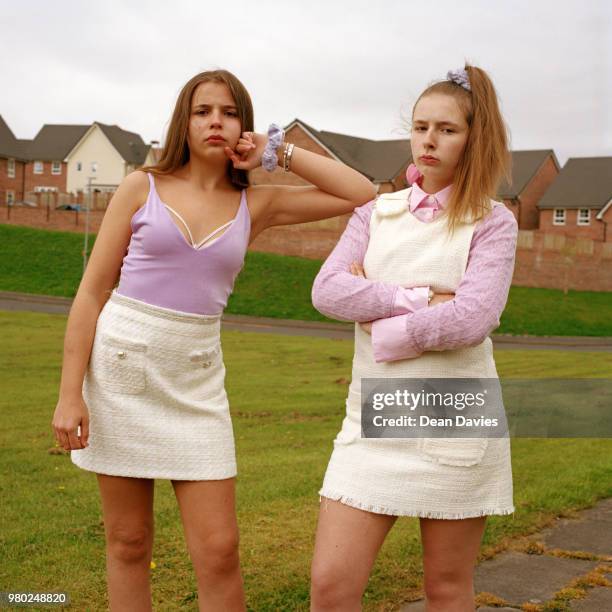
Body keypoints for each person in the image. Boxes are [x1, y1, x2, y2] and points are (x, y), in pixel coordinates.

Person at [51, 68, 376, 611]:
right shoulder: (141, 187)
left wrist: (278, 153)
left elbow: (361, 192)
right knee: (129, 543)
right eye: (203, 111)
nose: (215, 122)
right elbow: (90, 295)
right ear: (185, 120)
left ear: (243, 126)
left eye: (228, 113)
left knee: (220, 550)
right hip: (122, 370)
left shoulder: (258, 204)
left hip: (197, 381)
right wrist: (69, 393)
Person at [309, 64, 518, 611]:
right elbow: (328, 292)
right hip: (372, 421)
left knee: (446, 589)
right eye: (421, 126)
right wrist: (422, 301)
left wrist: (380, 320)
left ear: (475, 138)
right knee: (331, 589)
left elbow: (473, 319)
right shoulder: (374, 213)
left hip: (455, 416)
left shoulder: (493, 223)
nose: (430, 139)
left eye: (447, 129)